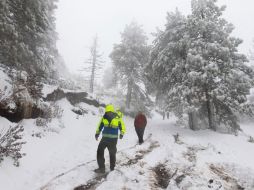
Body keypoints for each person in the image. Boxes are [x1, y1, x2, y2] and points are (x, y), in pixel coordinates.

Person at [94, 104, 126, 173]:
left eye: (109, 112)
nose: (109, 113)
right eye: (107, 112)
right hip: (105, 138)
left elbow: (122, 126)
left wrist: (122, 133)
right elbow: (100, 126)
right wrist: (97, 133)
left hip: (112, 139)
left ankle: (112, 168)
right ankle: (101, 168)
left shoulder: (117, 118)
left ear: (112, 111)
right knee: (100, 151)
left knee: (112, 153)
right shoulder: (104, 117)